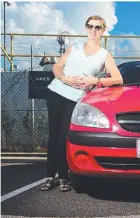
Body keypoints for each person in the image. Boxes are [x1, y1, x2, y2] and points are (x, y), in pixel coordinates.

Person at [40, 15, 123, 192]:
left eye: (97, 27)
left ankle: (63, 177)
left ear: (103, 31)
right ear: (86, 28)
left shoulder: (104, 55)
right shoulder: (75, 47)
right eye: (90, 26)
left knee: (64, 137)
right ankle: (49, 176)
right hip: (56, 92)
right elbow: (57, 67)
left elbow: (118, 78)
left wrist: (96, 79)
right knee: (53, 135)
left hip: (76, 98)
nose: (93, 30)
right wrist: (65, 78)